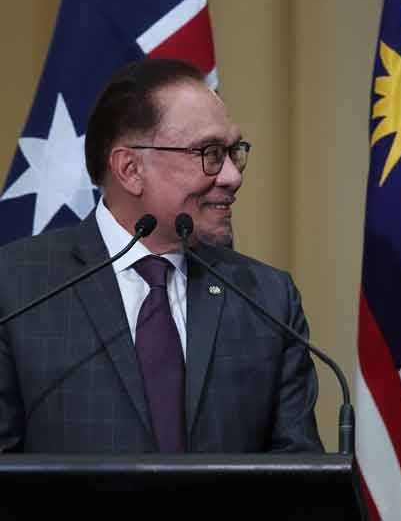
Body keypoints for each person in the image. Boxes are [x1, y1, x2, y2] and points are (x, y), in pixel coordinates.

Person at [0, 58, 323, 452]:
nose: (232, 177)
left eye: (232, 151)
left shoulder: (267, 300)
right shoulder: (17, 289)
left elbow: (298, 481)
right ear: (130, 169)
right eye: (209, 152)